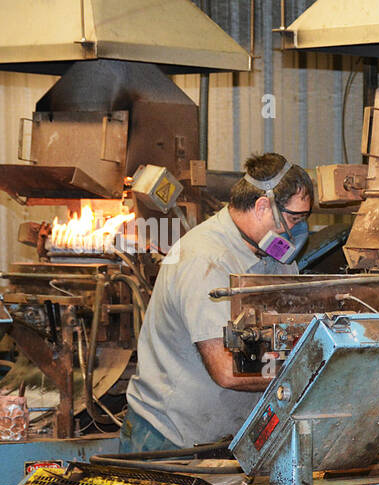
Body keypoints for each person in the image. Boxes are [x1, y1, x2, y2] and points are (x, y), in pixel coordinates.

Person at [120, 153, 314, 453]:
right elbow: (226, 369)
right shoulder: (205, 259)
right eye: (293, 218)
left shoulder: (278, 257)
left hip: (229, 436)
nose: (298, 230)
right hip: (169, 440)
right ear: (263, 206)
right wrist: (306, 377)